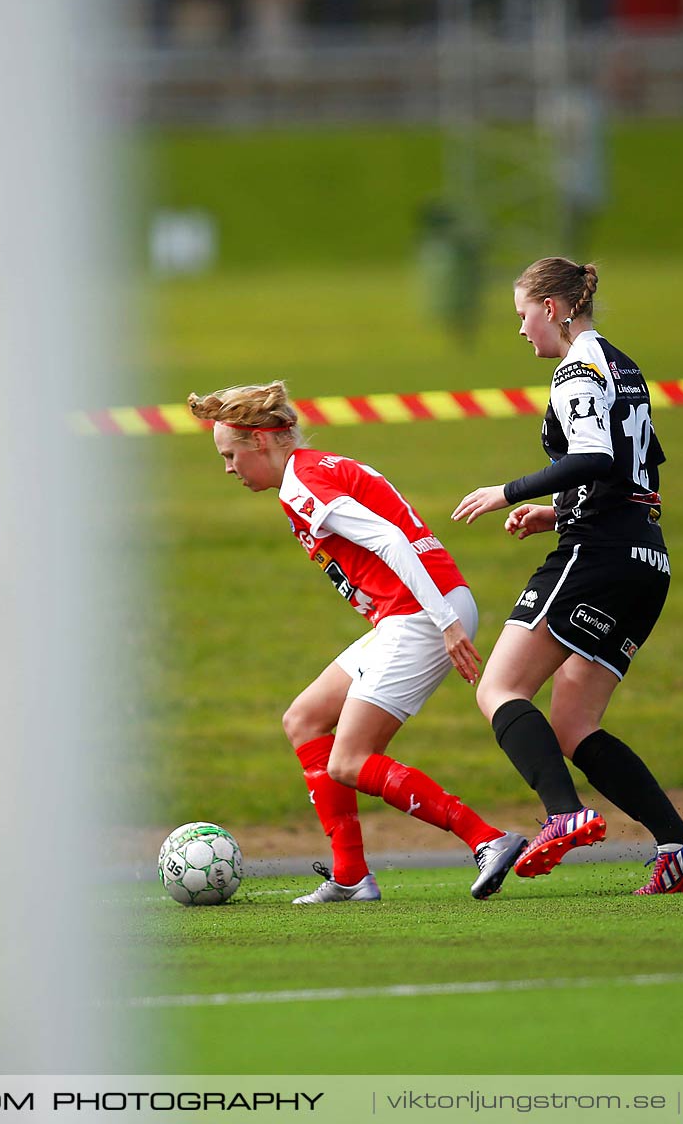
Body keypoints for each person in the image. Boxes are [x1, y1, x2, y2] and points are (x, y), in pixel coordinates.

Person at [187, 381, 530, 903]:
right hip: (412, 611)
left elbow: (391, 539)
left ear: (260, 441)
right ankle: (350, 875)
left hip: (421, 613)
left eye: (231, 455)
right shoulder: (311, 469)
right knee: (304, 719)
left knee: (349, 759)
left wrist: (445, 622)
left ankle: (487, 839)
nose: (228, 468)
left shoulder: (303, 485)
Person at [451, 258, 683, 896]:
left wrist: (507, 491)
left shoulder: (575, 369)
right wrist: (554, 513)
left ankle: (562, 814)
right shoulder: (622, 364)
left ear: (552, 308)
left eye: (522, 316)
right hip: (645, 560)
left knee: (499, 688)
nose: (521, 332)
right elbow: (634, 471)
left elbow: (594, 456)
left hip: (597, 557)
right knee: (573, 725)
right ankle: (679, 842)